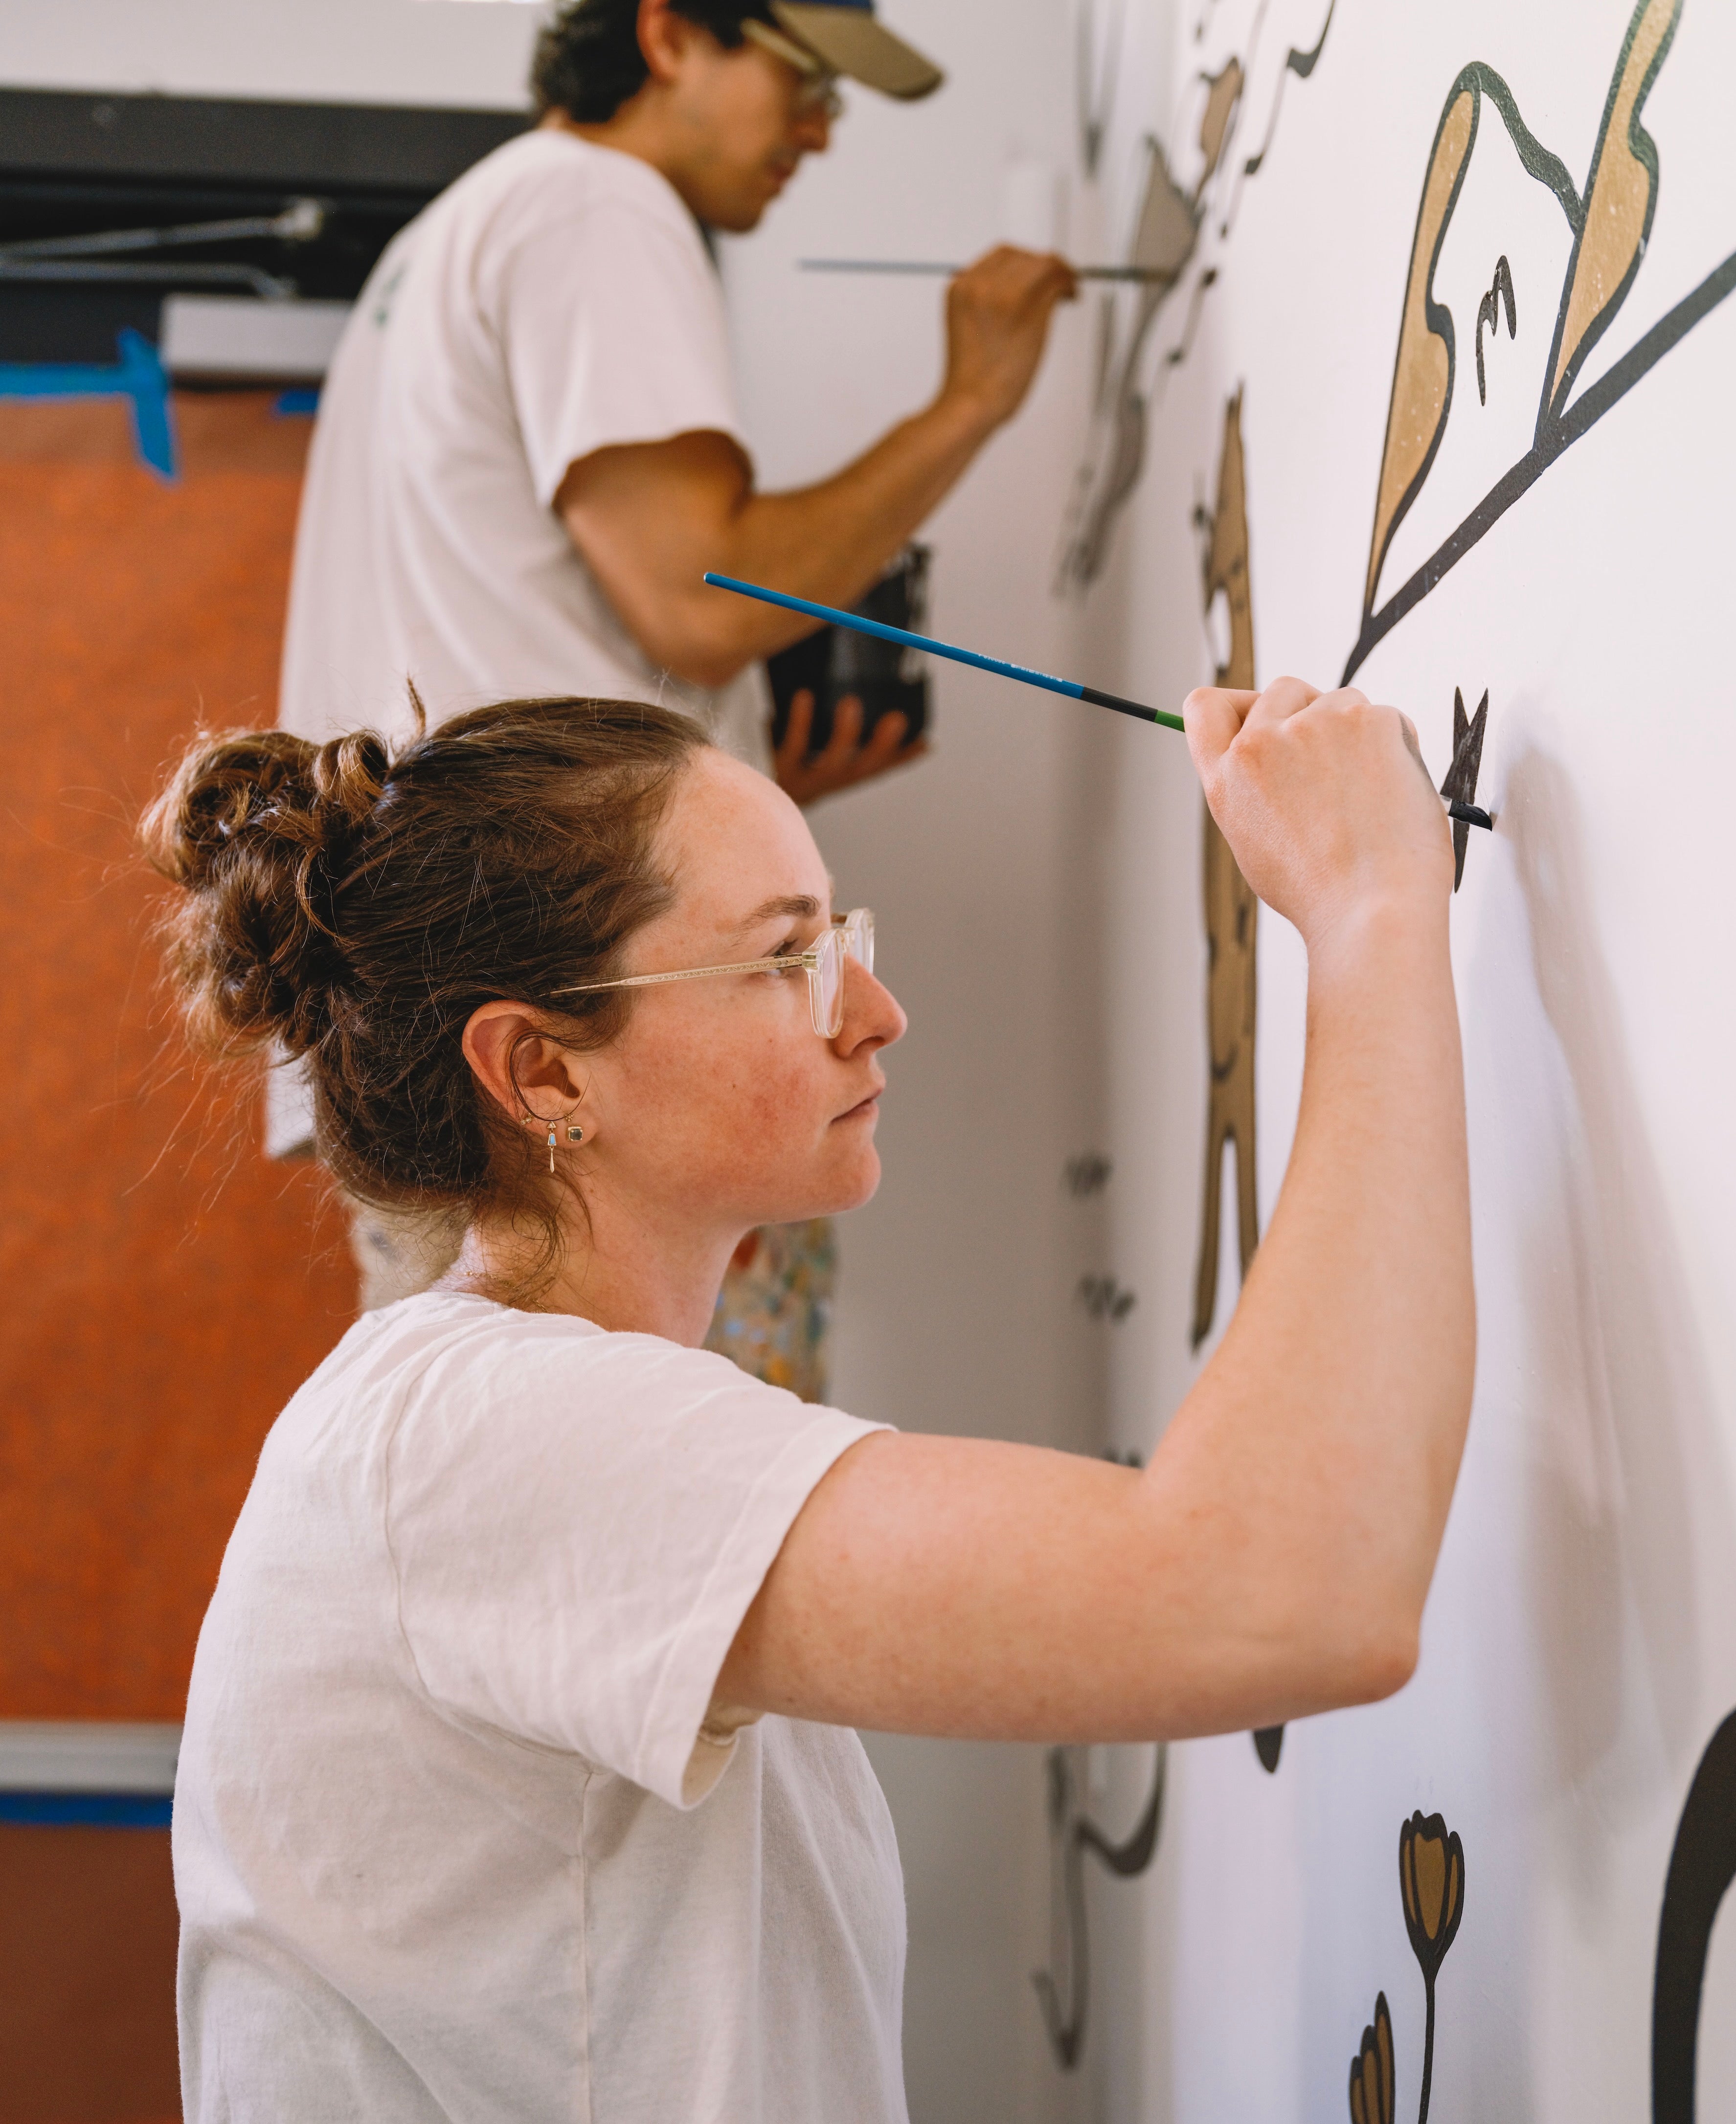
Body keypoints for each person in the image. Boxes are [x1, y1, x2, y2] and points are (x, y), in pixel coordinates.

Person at [142, 672, 1475, 2123]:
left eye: (839, 940)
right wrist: (1370, 915)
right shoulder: (491, 1434)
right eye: (786, 961)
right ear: (542, 1072)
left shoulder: (498, 1411)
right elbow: (1283, 1592)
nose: (878, 1013)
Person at [273, 0, 1077, 1381]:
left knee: (507, 1481)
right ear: (667, 36)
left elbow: (531, 629)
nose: (823, 128)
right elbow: (700, 598)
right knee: (678, 1492)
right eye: (804, 77)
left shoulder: (455, 233)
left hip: (490, 998)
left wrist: (729, 792)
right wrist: (974, 400)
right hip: (600, 1025)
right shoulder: (597, 206)